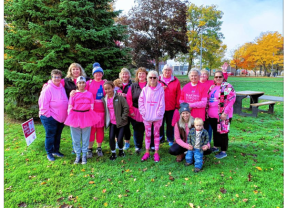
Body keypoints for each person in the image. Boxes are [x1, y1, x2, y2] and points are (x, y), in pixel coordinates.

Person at [64, 76, 100, 164]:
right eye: (79, 83)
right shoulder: (73, 94)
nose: (81, 84)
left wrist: (90, 116)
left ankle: (84, 155)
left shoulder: (89, 94)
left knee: (85, 137)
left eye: (83, 82)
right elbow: (70, 106)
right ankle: (78, 155)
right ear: (77, 84)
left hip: (86, 116)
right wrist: (71, 118)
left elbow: (91, 106)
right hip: (75, 116)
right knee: (75, 138)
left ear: (85, 84)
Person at [38, 69, 68, 161]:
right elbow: (43, 106)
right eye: (55, 77)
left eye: (58, 77)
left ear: (61, 78)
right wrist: (49, 117)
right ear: (52, 77)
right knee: (50, 136)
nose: (57, 79)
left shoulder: (61, 87)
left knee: (57, 135)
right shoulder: (47, 89)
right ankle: (49, 153)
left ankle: (56, 151)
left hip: (60, 118)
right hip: (50, 117)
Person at [207, 71, 236, 159]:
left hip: (223, 114)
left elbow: (232, 100)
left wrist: (225, 113)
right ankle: (216, 146)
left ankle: (223, 151)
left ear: (223, 77)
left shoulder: (227, 86)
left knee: (223, 132)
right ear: (214, 78)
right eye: (216, 77)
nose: (218, 78)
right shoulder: (212, 87)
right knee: (216, 132)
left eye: (220, 77)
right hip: (212, 114)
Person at [138, 70, 165, 162]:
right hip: (147, 117)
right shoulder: (145, 90)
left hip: (157, 117)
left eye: (154, 77)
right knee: (148, 134)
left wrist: (159, 114)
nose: (152, 79)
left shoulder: (161, 89)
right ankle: (147, 152)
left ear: (157, 78)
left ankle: (156, 152)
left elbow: (162, 103)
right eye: (150, 77)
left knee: (156, 134)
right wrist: (144, 112)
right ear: (147, 78)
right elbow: (140, 102)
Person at [102, 81, 129, 160]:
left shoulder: (119, 97)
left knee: (120, 139)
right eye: (106, 89)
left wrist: (123, 118)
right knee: (111, 138)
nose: (107, 91)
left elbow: (126, 108)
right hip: (112, 122)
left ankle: (121, 151)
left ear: (113, 88)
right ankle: (113, 153)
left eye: (109, 88)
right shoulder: (104, 99)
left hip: (121, 122)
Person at [85, 64, 106, 158]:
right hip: (92, 111)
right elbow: (82, 92)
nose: (98, 74)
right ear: (93, 74)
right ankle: (89, 149)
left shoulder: (105, 83)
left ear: (102, 74)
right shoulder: (88, 83)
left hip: (102, 111)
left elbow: (112, 91)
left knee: (100, 130)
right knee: (91, 130)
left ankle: (99, 148)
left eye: (100, 73)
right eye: (96, 73)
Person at [126, 67, 148, 154]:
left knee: (146, 128)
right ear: (137, 76)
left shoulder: (150, 85)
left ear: (146, 75)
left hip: (147, 111)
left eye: (143, 73)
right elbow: (129, 99)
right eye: (140, 73)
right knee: (136, 129)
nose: (141, 75)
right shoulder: (133, 86)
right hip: (135, 110)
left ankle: (149, 145)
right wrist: (130, 110)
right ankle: (137, 146)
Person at [158, 64, 181, 146]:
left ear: (172, 71)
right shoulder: (157, 79)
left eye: (169, 70)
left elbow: (179, 93)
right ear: (162, 71)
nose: (167, 71)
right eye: (165, 70)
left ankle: (170, 138)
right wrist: (160, 89)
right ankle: (160, 137)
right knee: (159, 123)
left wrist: (177, 105)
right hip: (159, 107)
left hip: (171, 106)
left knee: (170, 124)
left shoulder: (176, 80)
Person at [118, 68, 133, 150]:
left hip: (129, 108)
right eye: (123, 74)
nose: (124, 75)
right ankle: (120, 141)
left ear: (129, 75)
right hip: (119, 108)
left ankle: (127, 142)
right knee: (121, 125)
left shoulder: (132, 84)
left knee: (128, 126)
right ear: (120, 75)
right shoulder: (117, 84)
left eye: (126, 74)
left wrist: (126, 95)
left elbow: (134, 95)